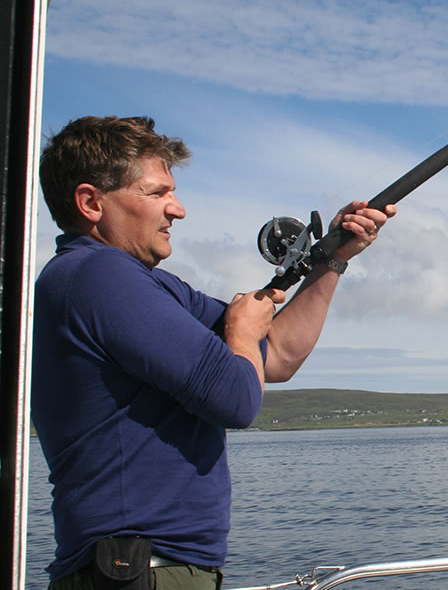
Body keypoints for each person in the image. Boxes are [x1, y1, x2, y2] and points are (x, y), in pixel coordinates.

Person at [31, 115, 395, 590]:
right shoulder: (97, 277)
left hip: (155, 567)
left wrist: (331, 261)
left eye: (172, 192)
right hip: (138, 569)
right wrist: (241, 335)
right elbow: (237, 400)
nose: (177, 210)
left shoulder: (149, 286)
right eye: (156, 193)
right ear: (90, 202)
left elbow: (277, 355)